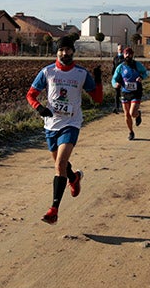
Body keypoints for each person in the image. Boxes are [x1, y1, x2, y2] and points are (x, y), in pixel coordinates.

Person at [26, 37, 103, 224]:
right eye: (61, 50)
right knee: (62, 165)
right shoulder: (47, 72)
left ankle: (54, 209)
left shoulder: (81, 73)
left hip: (71, 123)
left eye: (68, 49)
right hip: (51, 125)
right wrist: (38, 107)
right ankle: (74, 177)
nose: (64, 53)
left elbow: (98, 99)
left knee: (59, 163)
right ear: (56, 51)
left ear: (73, 52)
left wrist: (98, 80)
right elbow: (31, 94)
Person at [110, 46, 149, 140]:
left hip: (136, 92)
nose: (128, 55)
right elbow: (114, 79)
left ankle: (138, 114)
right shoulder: (121, 67)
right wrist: (115, 84)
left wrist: (141, 77)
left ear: (132, 55)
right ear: (123, 55)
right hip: (125, 92)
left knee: (132, 113)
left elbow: (145, 73)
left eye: (129, 54)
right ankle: (131, 132)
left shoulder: (137, 65)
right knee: (126, 114)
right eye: (126, 54)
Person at [111, 44, 125, 113]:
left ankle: (125, 106)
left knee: (124, 93)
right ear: (117, 50)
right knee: (117, 93)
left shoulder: (125, 58)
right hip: (117, 78)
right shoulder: (115, 58)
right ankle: (116, 107)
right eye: (119, 49)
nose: (120, 50)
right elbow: (113, 68)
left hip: (124, 78)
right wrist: (113, 77)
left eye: (122, 49)